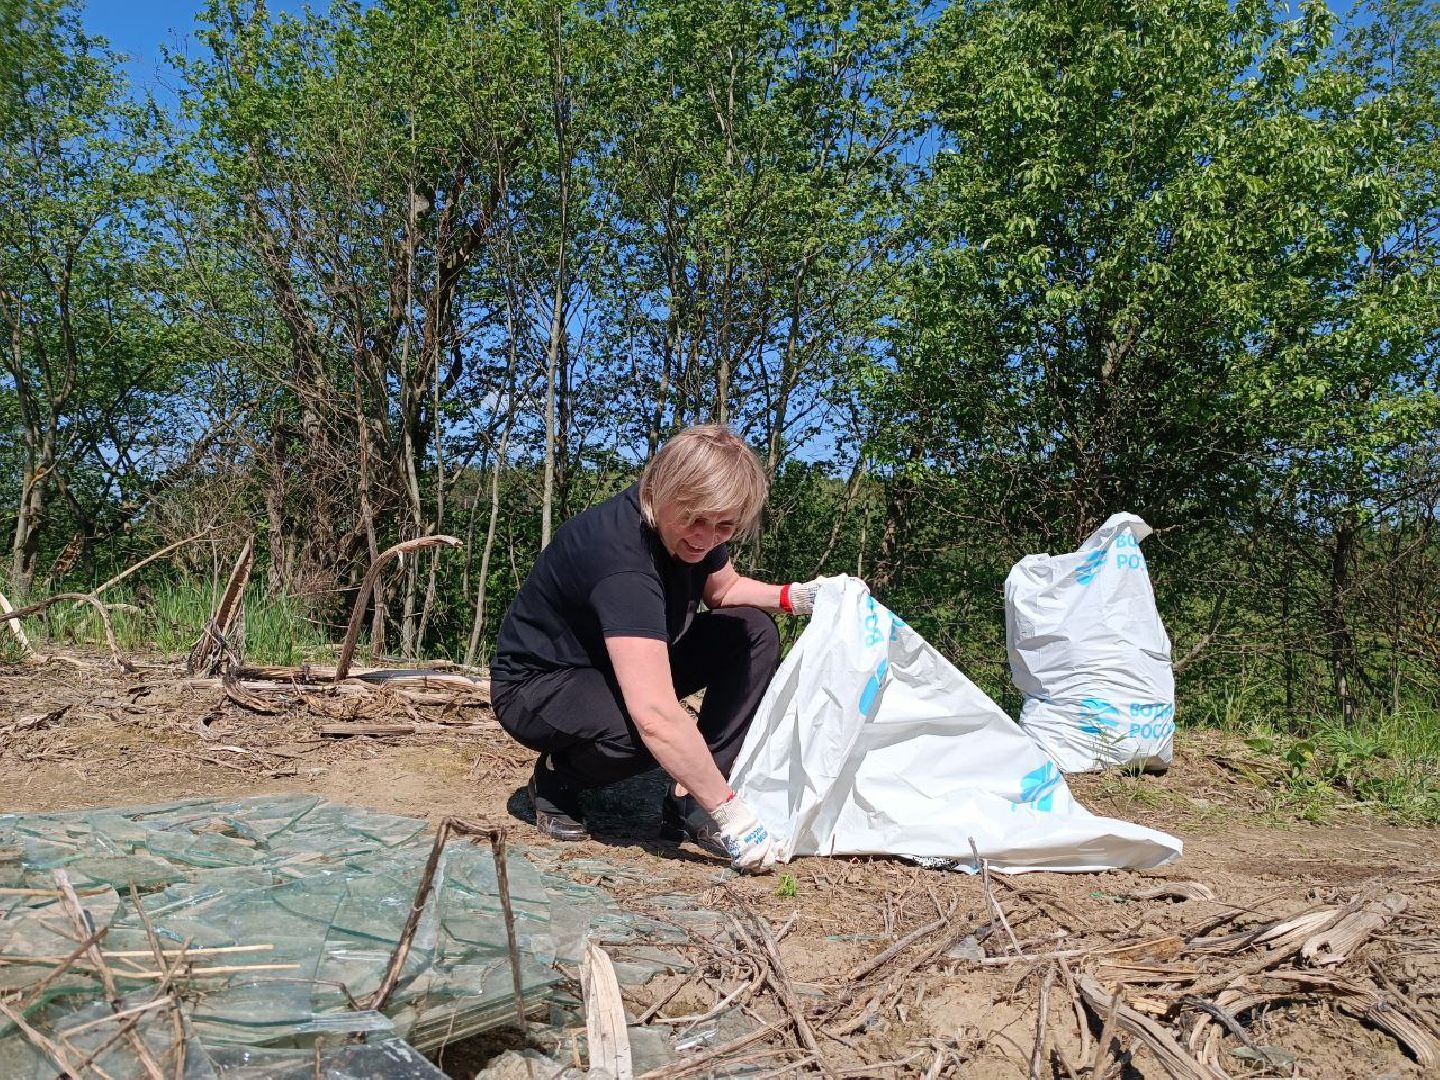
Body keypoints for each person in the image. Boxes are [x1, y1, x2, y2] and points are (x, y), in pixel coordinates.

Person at [491, 425, 824, 872]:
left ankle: (690, 798)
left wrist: (798, 597)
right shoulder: (621, 561)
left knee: (753, 633)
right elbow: (655, 717)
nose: (705, 540)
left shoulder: (694, 521)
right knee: (649, 734)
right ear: (662, 489)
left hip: (621, 662)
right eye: (695, 521)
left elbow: (724, 591)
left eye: (724, 526)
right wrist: (737, 818)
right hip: (541, 685)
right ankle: (556, 777)